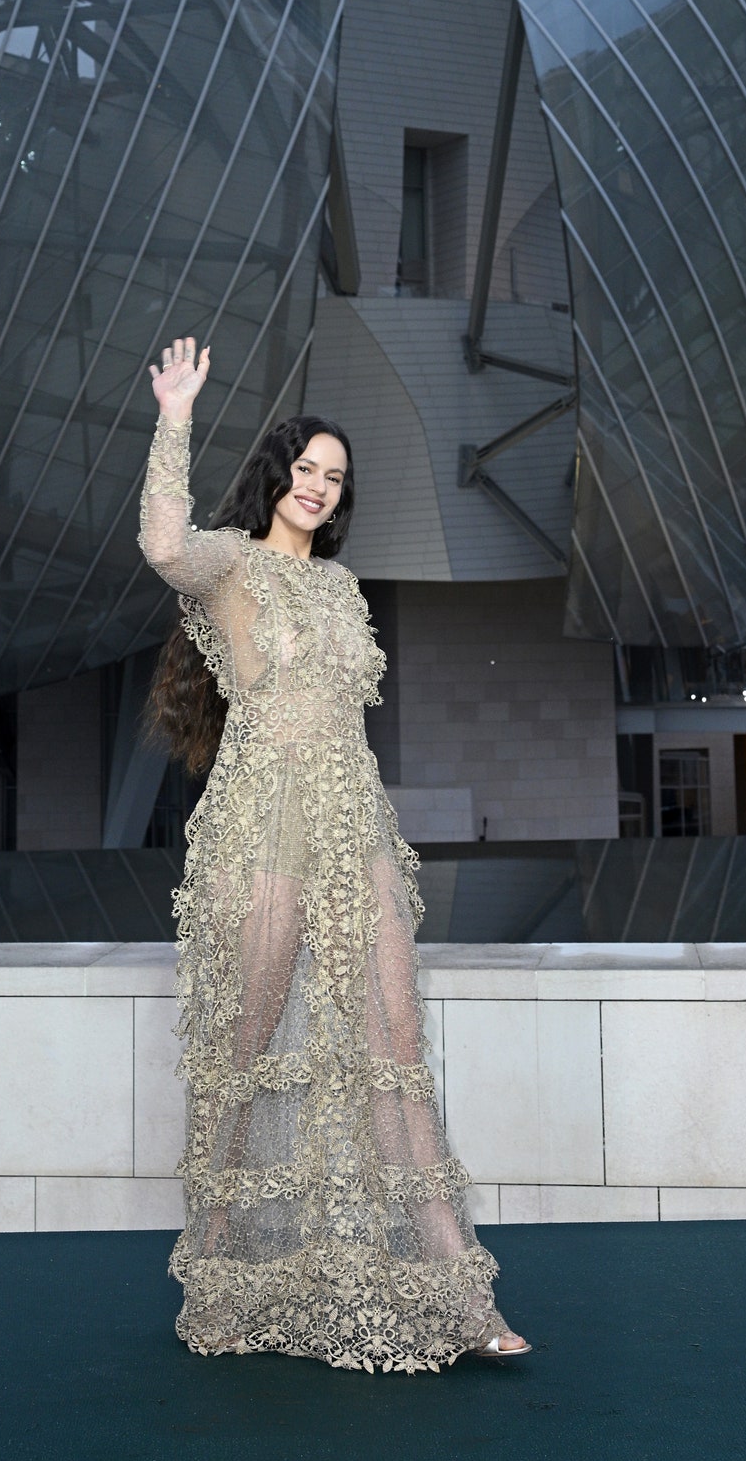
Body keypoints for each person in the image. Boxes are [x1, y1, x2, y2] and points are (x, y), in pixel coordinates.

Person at [138, 336, 529, 1372]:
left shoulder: (346, 590)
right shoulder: (229, 565)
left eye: (334, 478)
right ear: (278, 477)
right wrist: (175, 413)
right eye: (306, 469)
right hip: (260, 828)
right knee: (246, 1050)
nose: (318, 487)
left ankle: (459, 1292)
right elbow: (163, 544)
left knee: (397, 1052)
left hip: (352, 825)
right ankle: (219, 1271)